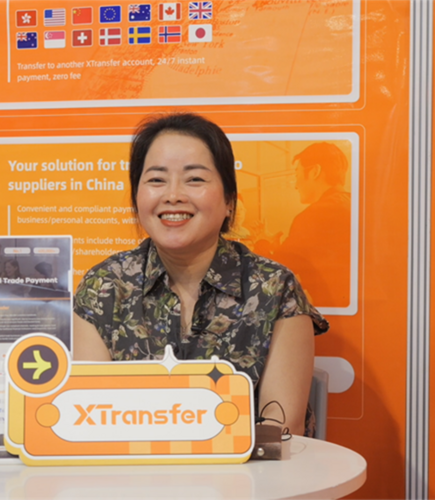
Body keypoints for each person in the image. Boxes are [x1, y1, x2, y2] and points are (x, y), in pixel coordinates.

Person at [73, 113, 328, 436]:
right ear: (137, 198)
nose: (173, 195)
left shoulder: (274, 288)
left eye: (194, 179)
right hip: (130, 468)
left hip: (249, 469)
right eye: (156, 180)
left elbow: (281, 430)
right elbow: (90, 419)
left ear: (229, 202)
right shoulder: (105, 286)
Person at [267, 142, 351, 307]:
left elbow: (278, 271)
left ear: (314, 171)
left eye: (297, 173)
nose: (296, 185)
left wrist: (265, 245)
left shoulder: (313, 215)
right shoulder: (357, 205)